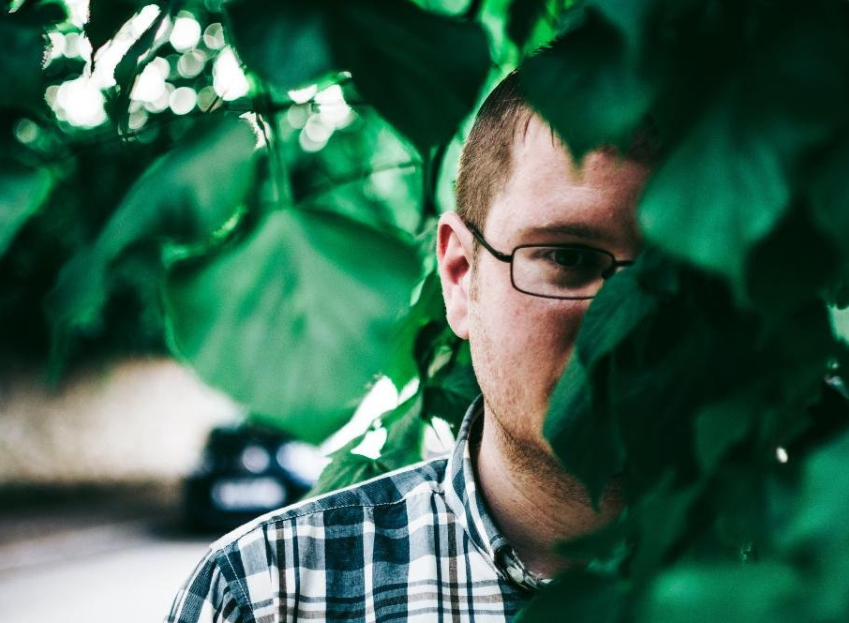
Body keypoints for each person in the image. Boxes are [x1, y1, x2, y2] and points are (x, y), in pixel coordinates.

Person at [165, 71, 651, 622]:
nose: (623, 323)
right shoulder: (267, 595)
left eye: (675, 271)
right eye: (568, 258)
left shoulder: (768, 568)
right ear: (461, 275)